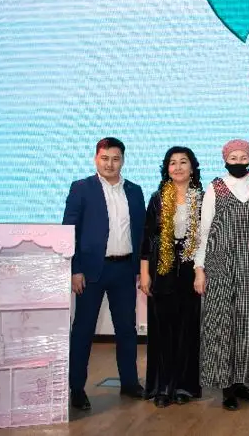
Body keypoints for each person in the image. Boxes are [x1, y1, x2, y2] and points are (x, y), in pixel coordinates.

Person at [62, 137, 145, 410]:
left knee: (126, 330)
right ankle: (76, 388)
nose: (110, 164)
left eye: (115, 158)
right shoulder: (81, 188)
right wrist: (75, 269)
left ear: (123, 160)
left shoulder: (134, 190)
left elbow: (141, 232)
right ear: (96, 159)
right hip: (90, 272)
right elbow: (69, 231)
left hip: (124, 269)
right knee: (83, 330)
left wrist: (141, 269)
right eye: (105, 158)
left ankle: (129, 383)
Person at [195, 139, 249, 411]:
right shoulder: (215, 188)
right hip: (220, 266)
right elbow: (204, 232)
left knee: (247, 325)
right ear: (225, 160)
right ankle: (226, 387)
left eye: (243, 157)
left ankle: (241, 383)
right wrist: (199, 270)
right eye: (233, 158)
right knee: (222, 325)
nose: (238, 162)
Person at [139, 146, 203, 407]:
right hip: (161, 269)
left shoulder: (202, 198)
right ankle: (162, 386)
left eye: (183, 162)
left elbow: (206, 238)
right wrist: (144, 274)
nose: (177, 167)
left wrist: (201, 272)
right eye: (172, 162)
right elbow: (147, 238)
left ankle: (184, 386)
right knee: (162, 330)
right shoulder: (157, 198)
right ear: (167, 169)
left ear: (192, 167)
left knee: (187, 329)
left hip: (190, 268)